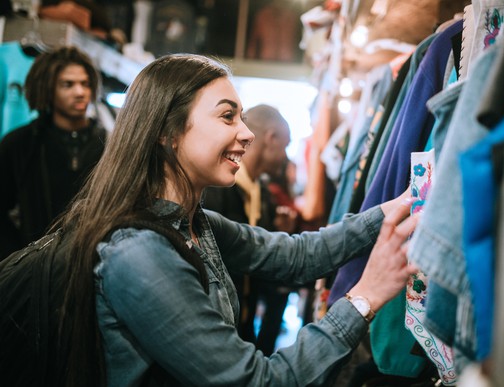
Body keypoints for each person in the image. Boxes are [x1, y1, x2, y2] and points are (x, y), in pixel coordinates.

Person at [56, 53, 419, 386]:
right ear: (167, 132)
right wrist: (365, 296)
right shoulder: (139, 253)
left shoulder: (195, 224)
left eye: (241, 118)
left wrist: (391, 210)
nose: (247, 133)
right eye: (228, 116)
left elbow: (295, 256)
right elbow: (259, 381)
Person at [203, 104, 298, 356]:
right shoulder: (218, 188)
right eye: (285, 146)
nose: (285, 155)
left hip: (243, 319)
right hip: (216, 324)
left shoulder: (263, 192)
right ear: (271, 138)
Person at [0, 46, 107, 260]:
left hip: (93, 265)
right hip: (34, 269)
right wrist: (17, 256)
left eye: (85, 84)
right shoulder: (21, 143)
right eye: (68, 84)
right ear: (48, 88)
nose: (80, 92)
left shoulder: (108, 143)